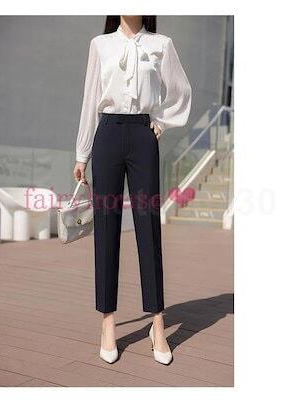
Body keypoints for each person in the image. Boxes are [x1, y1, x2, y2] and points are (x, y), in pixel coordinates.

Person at [73, 15, 192, 365]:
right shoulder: (100, 45)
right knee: (106, 227)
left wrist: (162, 122)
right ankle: (107, 322)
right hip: (107, 134)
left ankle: (157, 322)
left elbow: (181, 90)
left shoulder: (161, 44)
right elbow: (90, 99)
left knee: (148, 226)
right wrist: (82, 153)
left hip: (143, 136)